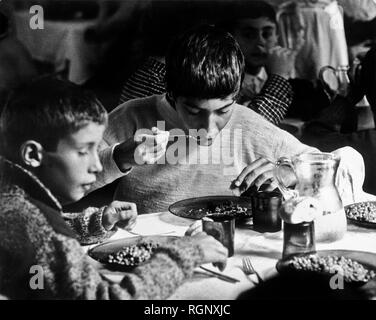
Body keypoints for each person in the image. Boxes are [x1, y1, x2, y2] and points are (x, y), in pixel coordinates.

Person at [0, 77, 227, 299]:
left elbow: (39, 233)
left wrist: (93, 223)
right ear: (32, 154)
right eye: (83, 151)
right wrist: (185, 254)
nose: (97, 164)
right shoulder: (34, 229)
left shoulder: (11, 199)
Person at [93, 24, 318, 214]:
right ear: (171, 94)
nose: (209, 130)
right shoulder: (132, 116)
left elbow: (332, 165)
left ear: (236, 95)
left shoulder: (249, 125)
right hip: (146, 247)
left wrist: (291, 171)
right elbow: (62, 185)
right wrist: (118, 157)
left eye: (223, 111)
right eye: (194, 111)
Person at [217, 0, 330, 123]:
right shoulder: (219, 84)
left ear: (277, 37)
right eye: (248, 35)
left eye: (267, 34)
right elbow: (250, 129)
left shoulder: (298, 87)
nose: (260, 42)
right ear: (230, 38)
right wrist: (278, 77)